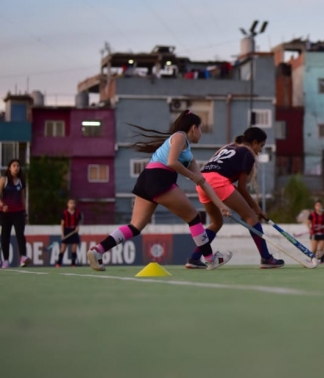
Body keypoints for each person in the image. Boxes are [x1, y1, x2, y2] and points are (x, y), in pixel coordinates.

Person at [87, 111, 232, 271]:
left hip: (146, 180)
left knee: (135, 227)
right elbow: (171, 162)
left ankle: (98, 251)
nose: (201, 133)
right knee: (193, 217)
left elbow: (203, 182)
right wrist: (192, 175)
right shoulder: (180, 136)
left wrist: (220, 205)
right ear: (193, 128)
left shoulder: (189, 156)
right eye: (201, 129)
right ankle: (210, 259)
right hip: (159, 178)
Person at [186, 127, 284, 269]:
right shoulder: (247, 154)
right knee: (251, 218)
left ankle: (194, 258)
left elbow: (236, 187)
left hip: (202, 182)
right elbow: (242, 188)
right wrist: (255, 208)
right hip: (217, 182)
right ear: (254, 142)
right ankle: (266, 258)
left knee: (216, 222)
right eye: (261, 146)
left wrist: (253, 206)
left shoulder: (229, 147)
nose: (261, 150)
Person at [0, 159, 29, 268]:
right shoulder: (4, 180)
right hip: (5, 213)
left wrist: (25, 214)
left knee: (20, 235)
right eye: (14, 165)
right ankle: (6, 260)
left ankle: (23, 257)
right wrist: (3, 205)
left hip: (18, 212)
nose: (16, 167)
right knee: (5, 236)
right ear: (9, 168)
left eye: (18, 165)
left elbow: (22, 198)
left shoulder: (21, 181)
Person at [57, 199, 83, 268]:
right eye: (70, 203)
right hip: (67, 230)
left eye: (73, 203)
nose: (72, 204)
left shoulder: (77, 213)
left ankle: (73, 263)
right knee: (63, 248)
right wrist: (62, 234)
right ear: (67, 204)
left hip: (74, 231)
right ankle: (58, 263)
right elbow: (62, 224)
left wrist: (77, 227)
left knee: (74, 248)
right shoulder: (65, 213)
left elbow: (79, 222)